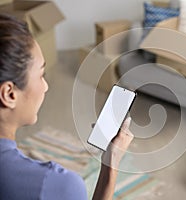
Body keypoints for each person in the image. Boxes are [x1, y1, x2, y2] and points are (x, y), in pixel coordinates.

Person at [0, 13, 134, 200]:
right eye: (41, 75)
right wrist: (112, 162)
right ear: (9, 94)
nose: (46, 86)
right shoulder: (56, 185)